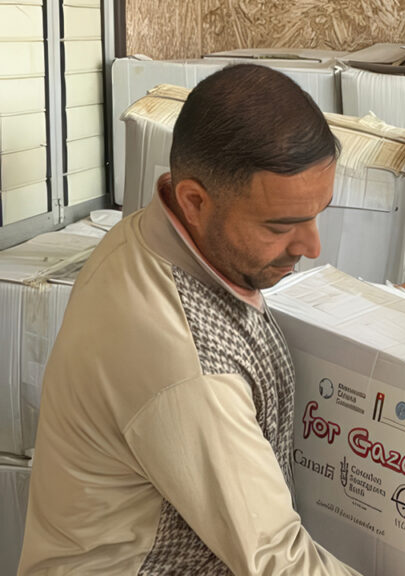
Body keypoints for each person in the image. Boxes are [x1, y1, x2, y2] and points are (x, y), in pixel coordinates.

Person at [19, 65, 361, 575]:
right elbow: (278, 563)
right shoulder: (186, 364)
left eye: (318, 214)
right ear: (195, 202)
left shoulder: (151, 232)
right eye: (280, 225)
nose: (311, 246)